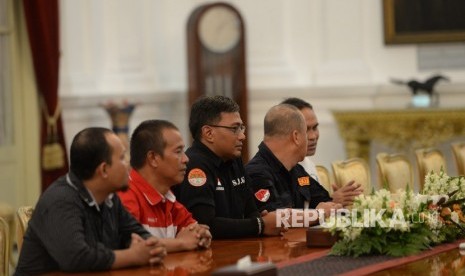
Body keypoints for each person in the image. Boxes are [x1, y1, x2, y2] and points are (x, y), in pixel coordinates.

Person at [15, 127, 166, 275]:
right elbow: (75, 258)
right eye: (121, 158)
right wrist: (132, 256)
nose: (128, 164)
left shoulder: (110, 198)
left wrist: (150, 247)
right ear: (104, 170)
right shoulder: (60, 200)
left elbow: (138, 234)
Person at [176, 95, 285, 238]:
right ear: (209, 133)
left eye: (241, 128)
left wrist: (261, 221)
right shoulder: (194, 165)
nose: (242, 136)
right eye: (234, 129)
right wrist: (260, 225)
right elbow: (205, 225)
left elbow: (250, 210)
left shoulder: (234, 159)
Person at [118, 120, 212, 253]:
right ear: (153, 158)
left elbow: (195, 230)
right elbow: (133, 246)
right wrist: (180, 243)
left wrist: (201, 235)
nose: (186, 159)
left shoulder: (167, 196)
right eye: (178, 151)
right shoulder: (125, 196)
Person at [245, 104, 341, 218]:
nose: (311, 137)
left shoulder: (297, 171)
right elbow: (277, 219)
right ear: (296, 137)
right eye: (306, 132)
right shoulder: (257, 173)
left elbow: (324, 201)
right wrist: (318, 214)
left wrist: (331, 207)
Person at [281, 97, 363, 206]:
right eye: (306, 130)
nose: (313, 136)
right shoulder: (276, 169)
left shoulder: (308, 164)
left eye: (315, 128)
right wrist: (331, 202)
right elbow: (285, 218)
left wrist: (331, 202)